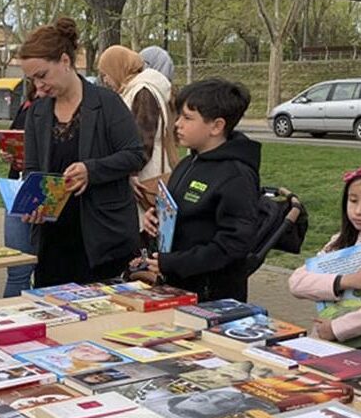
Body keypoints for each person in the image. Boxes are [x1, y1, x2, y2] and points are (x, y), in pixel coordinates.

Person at [19, 18, 146, 286]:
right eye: (31, 79)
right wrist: (34, 203)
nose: (38, 87)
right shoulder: (38, 113)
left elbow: (135, 154)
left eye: (42, 76)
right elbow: (32, 169)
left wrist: (92, 170)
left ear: (65, 61)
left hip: (103, 239)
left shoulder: (106, 103)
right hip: (54, 241)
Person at [136, 78, 260, 302]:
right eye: (179, 116)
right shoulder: (188, 163)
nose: (177, 124)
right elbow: (177, 211)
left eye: (187, 118)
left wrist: (177, 263)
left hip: (211, 295)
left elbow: (234, 244)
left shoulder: (236, 175)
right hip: (176, 285)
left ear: (216, 126)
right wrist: (154, 218)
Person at [288, 164, 361, 347]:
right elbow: (297, 282)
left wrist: (336, 328)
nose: (358, 211)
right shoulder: (342, 241)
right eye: (352, 200)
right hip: (322, 344)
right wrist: (345, 281)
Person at [97, 45, 178, 225]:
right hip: (143, 170)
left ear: (117, 69)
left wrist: (130, 170)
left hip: (145, 174)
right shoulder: (137, 88)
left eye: (106, 74)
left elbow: (143, 135)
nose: (106, 80)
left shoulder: (142, 90)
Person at [1, 80, 38, 297]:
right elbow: (12, 134)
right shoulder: (27, 106)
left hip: (41, 187)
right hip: (16, 186)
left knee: (30, 266)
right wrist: (7, 152)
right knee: (18, 268)